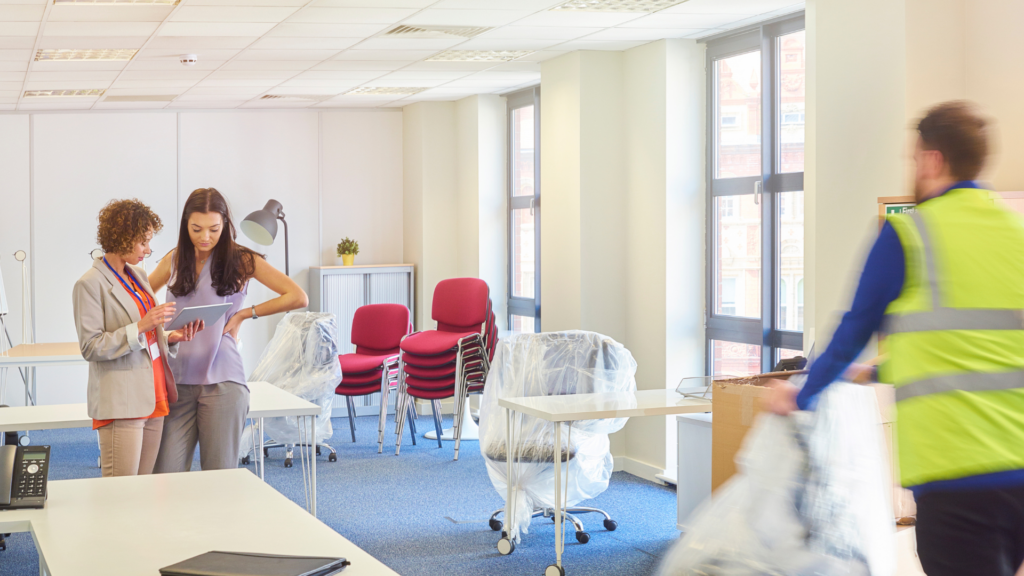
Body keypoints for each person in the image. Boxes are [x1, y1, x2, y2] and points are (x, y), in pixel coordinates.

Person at [768, 101, 1024, 576]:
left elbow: (853, 329)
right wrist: (875, 372)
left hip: (956, 469)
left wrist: (800, 395)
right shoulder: (1015, 231)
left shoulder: (910, 233)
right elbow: (977, 345)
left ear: (932, 159)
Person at [149, 188, 308, 473]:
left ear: (225, 225)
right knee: (164, 476)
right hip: (177, 380)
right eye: (196, 229)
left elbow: (297, 296)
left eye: (214, 229)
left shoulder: (242, 259)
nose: (205, 237)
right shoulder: (174, 259)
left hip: (223, 380)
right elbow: (141, 299)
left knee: (219, 477)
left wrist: (246, 314)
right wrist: (155, 324)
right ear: (186, 225)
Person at [72, 199, 202, 478]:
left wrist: (171, 337)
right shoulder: (90, 284)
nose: (148, 249)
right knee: (121, 495)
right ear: (122, 238)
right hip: (122, 400)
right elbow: (91, 346)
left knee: (144, 491)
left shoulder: (138, 276)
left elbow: (147, 338)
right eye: (143, 242)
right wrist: (142, 325)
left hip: (153, 393)